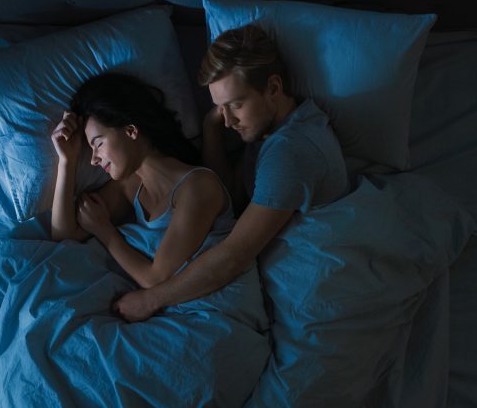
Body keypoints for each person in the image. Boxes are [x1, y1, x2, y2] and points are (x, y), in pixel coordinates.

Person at [113, 24, 348, 322]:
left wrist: (150, 299)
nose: (228, 120)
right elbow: (232, 195)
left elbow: (234, 255)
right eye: (219, 108)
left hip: (317, 277)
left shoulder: (288, 152)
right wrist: (211, 127)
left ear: (273, 88)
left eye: (235, 105)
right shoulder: (269, 127)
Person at [50, 72, 233, 291]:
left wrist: (106, 232)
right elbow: (65, 234)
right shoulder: (130, 186)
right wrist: (66, 162)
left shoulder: (197, 187)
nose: (93, 159)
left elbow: (156, 279)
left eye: (98, 144)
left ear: (131, 130)